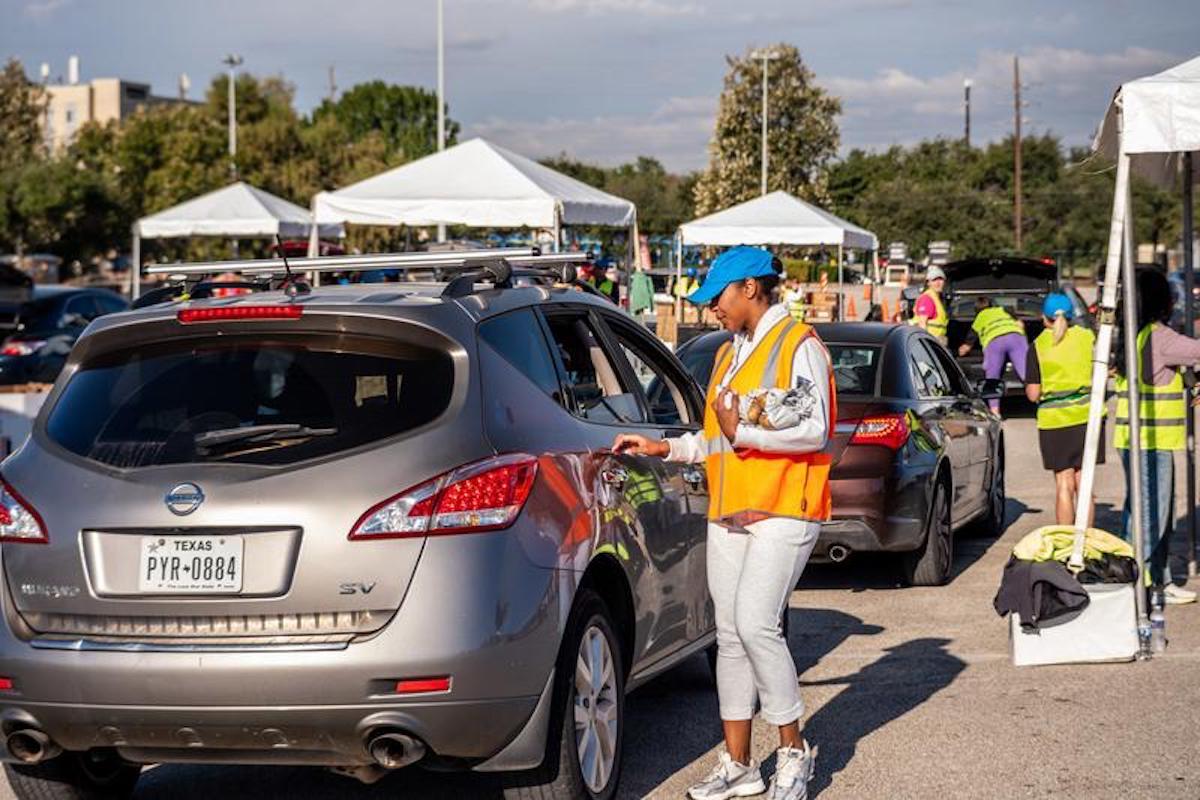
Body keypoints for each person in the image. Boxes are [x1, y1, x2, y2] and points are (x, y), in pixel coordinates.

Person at [611, 245, 833, 800]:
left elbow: (817, 431)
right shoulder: (730, 353)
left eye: (718, 297)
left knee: (759, 625)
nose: (712, 309)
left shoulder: (800, 346)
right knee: (731, 636)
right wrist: (665, 449)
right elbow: (715, 439)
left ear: (751, 289)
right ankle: (738, 766)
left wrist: (746, 433)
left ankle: (792, 754)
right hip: (731, 508)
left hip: (785, 507)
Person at [1115, 270, 1199, 604]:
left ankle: (1158, 579)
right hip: (1152, 442)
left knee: (1141, 512)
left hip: (1133, 440)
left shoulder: (1132, 336)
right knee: (1152, 517)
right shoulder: (1160, 337)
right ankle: (1140, 584)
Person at [1024, 293, 1102, 526]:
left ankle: (1067, 544)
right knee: (1084, 482)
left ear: (1043, 317)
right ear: (1071, 316)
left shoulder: (1038, 346)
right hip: (1087, 417)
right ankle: (1084, 542)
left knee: (1064, 484)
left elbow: (1033, 394)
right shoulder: (1086, 337)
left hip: (1055, 422)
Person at [958, 297, 1028, 414]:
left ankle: (995, 412)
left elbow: (967, 345)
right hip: (1015, 337)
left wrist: (961, 350)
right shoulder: (1003, 310)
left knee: (992, 378)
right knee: (1027, 373)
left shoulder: (979, 318)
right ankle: (1041, 401)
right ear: (992, 305)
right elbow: (1020, 324)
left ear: (976, 310)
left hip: (995, 341)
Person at [910, 265, 949, 345]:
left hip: (936, 340)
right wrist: (924, 344)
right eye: (934, 280)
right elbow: (922, 324)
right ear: (928, 283)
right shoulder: (927, 298)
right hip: (930, 341)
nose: (938, 283)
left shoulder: (937, 298)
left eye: (941, 279)